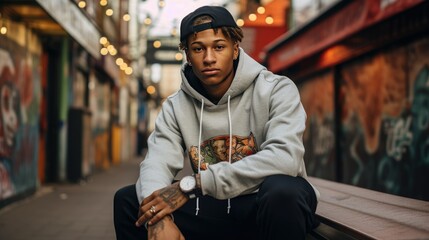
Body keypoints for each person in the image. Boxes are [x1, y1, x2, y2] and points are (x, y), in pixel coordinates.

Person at [114, 5, 319, 240]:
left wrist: (194, 185)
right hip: (214, 206)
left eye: (219, 47)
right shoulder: (175, 105)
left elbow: (285, 159)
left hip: (262, 203)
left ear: (234, 49)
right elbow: (156, 163)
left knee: (284, 192)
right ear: (187, 55)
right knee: (129, 200)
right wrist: (158, 218)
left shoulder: (276, 89)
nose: (209, 58)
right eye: (198, 49)